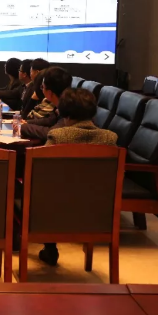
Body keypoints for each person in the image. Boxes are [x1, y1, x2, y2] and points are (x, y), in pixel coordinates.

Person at [39, 88, 118, 266]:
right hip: (97, 210)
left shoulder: (58, 136)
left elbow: (42, 174)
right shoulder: (110, 138)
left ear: (63, 111)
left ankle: (47, 246)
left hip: (56, 211)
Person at [20, 67, 72, 142]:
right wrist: (27, 122)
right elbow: (50, 120)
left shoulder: (69, 108)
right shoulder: (63, 103)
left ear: (50, 93)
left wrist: (23, 127)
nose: (41, 90)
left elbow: (52, 133)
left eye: (42, 87)